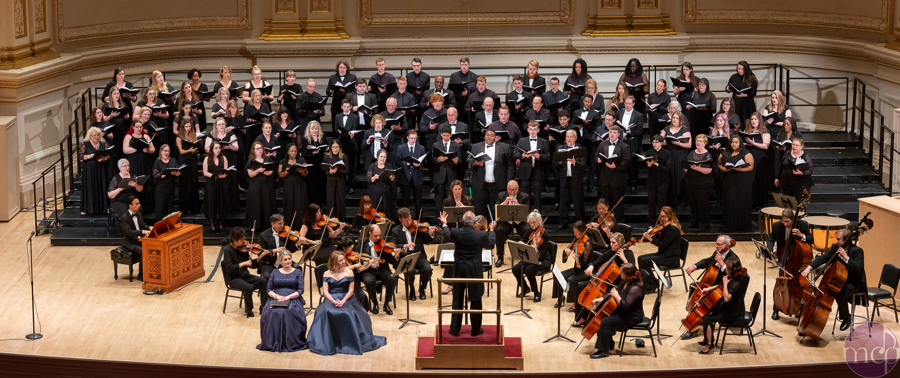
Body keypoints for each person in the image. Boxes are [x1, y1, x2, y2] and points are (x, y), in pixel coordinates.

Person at [308, 251, 387, 355]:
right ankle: (329, 342)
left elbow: (351, 290)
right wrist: (333, 301)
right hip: (331, 298)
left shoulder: (349, 272)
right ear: (334, 262)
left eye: (343, 259)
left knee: (348, 313)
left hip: (346, 297)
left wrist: (343, 301)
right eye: (340, 260)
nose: (343, 262)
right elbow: (325, 292)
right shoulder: (326, 273)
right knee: (326, 311)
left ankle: (348, 342)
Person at [438, 210, 497, 336]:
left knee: (457, 297)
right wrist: (492, 230)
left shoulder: (456, 232)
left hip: (459, 267)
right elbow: (491, 244)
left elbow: (447, 235)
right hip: (474, 268)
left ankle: (454, 329)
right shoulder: (480, 235)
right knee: (475, 297)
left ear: (463, 221)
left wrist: (444, 223)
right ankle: (475, 329)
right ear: (474, 222)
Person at [801, 228, 866, 331]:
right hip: (839, 280)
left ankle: (846, 317)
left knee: (839, 293)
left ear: (846, 240)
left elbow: (859, 269)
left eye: (839, 239)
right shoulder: (835, 247)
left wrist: (846, 257)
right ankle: (812, 320)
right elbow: (823, 258)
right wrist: (809, 268)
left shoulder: (857, 251)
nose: (836, 241)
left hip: (854, 283)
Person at [680, 234, 740, 339]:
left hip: (722, 287)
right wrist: (695, 266)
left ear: (726, 245)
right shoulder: (718, 252)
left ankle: (694, 329)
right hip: (712, 283)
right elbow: (708, 261)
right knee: (694, 287)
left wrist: (722, 264)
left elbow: (732, 278)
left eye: (719, 245)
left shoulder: (733, 258)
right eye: (716, 244)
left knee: (703, 300)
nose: (716, 246)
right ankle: (692, 315)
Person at [572, 232, 636, 327]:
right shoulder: (611, 252)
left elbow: (633, 271)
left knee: (594, 295)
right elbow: (597, 262)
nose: (611, 244)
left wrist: (624, 259)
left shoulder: (629, 254)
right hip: (606, 283)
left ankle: (592, 320)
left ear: (620, 244)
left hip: (618, 286)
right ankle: (581, 317)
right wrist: (591, 266)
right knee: (581, 287)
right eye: (610, 242)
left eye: (613, 243)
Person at [587, 263, 645, 359]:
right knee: (603, 316)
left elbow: (625, 306)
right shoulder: (626, 282)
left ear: (627, 275)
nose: (620, 274)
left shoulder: (635, 289)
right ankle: (608, 343)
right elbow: (613, 292)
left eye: (621, 273)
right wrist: (601, 299)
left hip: (631, 317)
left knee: (606, 322)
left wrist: (616, 295)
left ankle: (603, 351)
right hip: (625, 313)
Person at [257, 250, 308, 352]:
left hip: (292, 297)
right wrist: (276, 296)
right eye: (285, 259)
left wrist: (288, 297)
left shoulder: (298, 272)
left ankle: (289, 341)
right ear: (281, 261)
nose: (288, 261)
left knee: (288, 312)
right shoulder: (275, 272)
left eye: (289, 259)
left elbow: (301, 290)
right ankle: (272, 342)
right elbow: (268, 289)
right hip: (277, 297)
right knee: (271, 312)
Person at [767, 208, 812, 321]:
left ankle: (797, 308)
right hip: (783, 258)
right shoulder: (777, 226)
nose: (785, 224)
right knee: (781, 283)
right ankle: (776, 308)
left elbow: (811, 239)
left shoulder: (802, 225)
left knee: (798, 286)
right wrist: (770, 249)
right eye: (783, 221)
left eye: (787, 221)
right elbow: (771, 239)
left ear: (793, 220)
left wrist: (801, 235)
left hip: (797, 260)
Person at [698, 257, 749, 354]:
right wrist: (708, 289)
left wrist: (725, 284)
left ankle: (709, 344)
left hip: (732, 313)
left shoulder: (736, 283)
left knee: (707, 319)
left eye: (727, 267)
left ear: (731, 270)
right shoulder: (730, 277)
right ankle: (707, 339)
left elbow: (726, 298)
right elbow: (720, 286)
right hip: (727, 308)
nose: (725, 268)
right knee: (706, 313)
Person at [221, 227, 268, 318]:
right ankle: (249, 310)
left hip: (245, 276)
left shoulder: (243, 249)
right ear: (234, 240)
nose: (244, 241)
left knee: (263, 281)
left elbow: (251, 264)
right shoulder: (227, 250)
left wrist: (260, 257)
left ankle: (263, 307)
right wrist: (243, 263)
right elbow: (230, 268)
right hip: (233, 279)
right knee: (248, 287)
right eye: (242, 239)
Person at [391, 207, 436, 300]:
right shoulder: (396, 231)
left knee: (428, 270)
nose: (409, 222)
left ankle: (422, 289)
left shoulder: (418, 227)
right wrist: (405, 245)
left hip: (420, 256)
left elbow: (427, 241)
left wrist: (430, 234)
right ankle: (411, 289)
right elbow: (394, 246)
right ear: (400, 220)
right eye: (406, 220)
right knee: (409, 271)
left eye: (410, 219)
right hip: (406, 257)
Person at [469, 129, 514, 218]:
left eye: (491, 135)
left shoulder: (505, 147)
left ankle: (494, 226)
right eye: (487, 135)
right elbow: (469, 161)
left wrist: (509, 182)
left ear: (496, 137)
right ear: (484, 136)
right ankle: (481, 227)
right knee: (480, 210)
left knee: (495, 211)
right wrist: (475, 163)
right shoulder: (475, 146)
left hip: (497, 185)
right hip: (480, 185)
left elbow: (510, 166)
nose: (489, 137)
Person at [638, 206, 684, 292]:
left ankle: (651, 285)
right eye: (661, 216)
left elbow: (663, 244)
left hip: (671, 258)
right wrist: (651, 233)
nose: (662, 219)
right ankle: (652, 282)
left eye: (664, 216)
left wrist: (651, 239)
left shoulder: (672, 229)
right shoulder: (665, 227)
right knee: (640, 258)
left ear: (670, 216)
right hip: (663, 254)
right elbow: (660, 239)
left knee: (644, 261)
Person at [358, 224, 399, 315]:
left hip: (382, 270)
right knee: (369, 281)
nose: (378, 238)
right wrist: (369, 261)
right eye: (375, 235)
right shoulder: (362, 242)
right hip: (368, 271)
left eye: (379, 235)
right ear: (370, 234)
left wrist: (396, 256)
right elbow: (357, 255)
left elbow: (392, 261)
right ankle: (375, 303)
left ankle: (386, 304)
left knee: (392, 278)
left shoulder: (383, 243)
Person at [511, 211, 552, 302]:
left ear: (540, 222)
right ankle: (525, 288)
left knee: (529, 270)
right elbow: (522, 240)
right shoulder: (530, 231)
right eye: (530, 223)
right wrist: (521, 243)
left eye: (534, 223)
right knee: (515, 269)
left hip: (543, 260)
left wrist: (537, 251)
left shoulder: (544, 234)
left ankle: (536, 292)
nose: (532, 225)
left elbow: (544, 250)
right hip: (530, 258)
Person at [553, 221, 594, 308]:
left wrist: (578, 258)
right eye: (574, 232)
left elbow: (584, 262)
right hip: (577, 269)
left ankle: (575, 302)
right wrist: (566, 251)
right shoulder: (576, 239)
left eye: (577, 232)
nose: (575, 234)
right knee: (558, 275)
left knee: (571, 280)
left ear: (583, 231)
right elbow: (569, 247)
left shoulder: (587, 243)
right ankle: (560, 297)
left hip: (585, 271)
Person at [719, 136, 755, 232]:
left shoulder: (745, 152)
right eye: (732, 142)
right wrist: (724, 169)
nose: (733, 144)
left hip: (742, 180)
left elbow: (750, 167)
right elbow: (719, 164)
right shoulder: (725, 152)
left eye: (736, 142)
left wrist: (739, 169)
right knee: (730, 201)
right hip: (729, 180)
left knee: (741, 201)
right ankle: (730, 224)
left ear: (740, 143)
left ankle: (742, 225)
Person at [597, 126, 631, 222]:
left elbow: (627, 162)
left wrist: (616, 166)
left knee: (618, 205)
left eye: (614, 132)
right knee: (606, 205)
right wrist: (598, 160)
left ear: (618, 134)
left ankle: (619, 224)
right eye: (611, 132)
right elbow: (596, 156)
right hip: (605, 180)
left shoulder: (624, 146)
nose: (612, 134)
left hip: (617, 180)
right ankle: (606, 224)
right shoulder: (602, 145)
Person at [494, 180, 532, 267]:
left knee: (527, 230)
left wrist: (519, 206)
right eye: (510, 190)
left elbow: (527, 212)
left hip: (519, 222)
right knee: (499, 230)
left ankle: (526, 257)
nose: (512, 192)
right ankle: (500, 257)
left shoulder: (525, 196)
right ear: (507, 188)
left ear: (518, 188)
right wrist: (504, 203)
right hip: (506, 222)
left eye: (514, 190)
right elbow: (495, 211)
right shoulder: (501, 195)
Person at [515, 121, 551, 211]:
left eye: (534, 129)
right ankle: (525, 214)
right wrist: (522, 155)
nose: (532, 131)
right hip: (525, 171)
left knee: (537, 196)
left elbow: (548, 156)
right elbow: (515, 154)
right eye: (531, 129)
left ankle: (537, 214)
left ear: (538, 130)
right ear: (527, 130)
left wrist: (539, 156)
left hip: (538, 171)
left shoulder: (543, 141)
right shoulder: (522, 140)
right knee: (524, 196)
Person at [557, 129, 586, 229]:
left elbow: (583, 165)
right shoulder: (560, 148)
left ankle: (580, 222)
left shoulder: (580, 150)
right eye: (567, 137)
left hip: (576, 180)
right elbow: (554, 164)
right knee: (564, 202)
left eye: (571, 137)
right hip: (564, 179)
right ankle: (563, 221)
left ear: (575, 138)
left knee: (578, 202)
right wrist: (559, 162)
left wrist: (575, 163)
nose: (569, 139)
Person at [684, 135, 715, 231]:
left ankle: (704, 225)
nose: (698, 143)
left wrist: (698, 169)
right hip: (691, 182)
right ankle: (694, 223)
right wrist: (685, 167)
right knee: (693, 204)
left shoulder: (708, 154)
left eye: (701, 141)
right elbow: (686, 167)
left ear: (705, 143)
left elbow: (709, 170)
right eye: (697, 140)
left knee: (703, 204)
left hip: (703, 183)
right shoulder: (691, 153)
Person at [257, 214, 300, 281]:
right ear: (273, 224)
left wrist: (298, 244)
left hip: (283, 262)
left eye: (283, 223)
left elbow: (290, 249)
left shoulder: (285, 234)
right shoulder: (263, 235)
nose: (282, 225)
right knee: (267, 276)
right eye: (279, 224)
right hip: (269, 263)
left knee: (298, 269)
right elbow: (261, 252)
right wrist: (274, 250)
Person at [661, 110, 691, 207]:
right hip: (669, 156)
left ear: (680, 119)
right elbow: (660, 141)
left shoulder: (684, 130)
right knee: (670, 177)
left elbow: (689, 145)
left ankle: (680, 202)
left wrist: (679, 143)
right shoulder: (666, 128)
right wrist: (664, 142)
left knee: (680, 177)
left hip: (681, 156)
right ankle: (670, 202)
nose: (674, 120)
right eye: (673, 118)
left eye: (677, 118)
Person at [245, 141, 277, 232]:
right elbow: (250, 174)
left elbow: (271, 170)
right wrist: (258, 171)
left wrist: (268, 172)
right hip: (255, 185)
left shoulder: (267, 158)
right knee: (256, 205)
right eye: (257, 148)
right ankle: (256, 225)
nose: (259, 150)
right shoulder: (251, 160)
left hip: (266, 184)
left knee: (266, 203)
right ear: (253, 150)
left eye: (261, 148)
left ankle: (266, 224)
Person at [79, 126, 111, 215]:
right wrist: (90, 156)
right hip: (89, 170)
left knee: (101, 186)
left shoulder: (103, 143)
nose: (96, 137)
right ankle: (87, 208)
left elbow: (109, 154)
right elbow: (81, 156)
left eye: (98, 135)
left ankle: (102, 207)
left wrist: (105, 158)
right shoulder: (85, 144)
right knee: (89, 187)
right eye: (94, 136)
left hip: (101, 169)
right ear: (90, 136)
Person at [743, 112, 772, 209]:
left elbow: (766, 146)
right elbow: (742, 143)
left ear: (759, 120)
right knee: (750, 179)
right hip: (749, 156)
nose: (753, 121)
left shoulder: (765, 131)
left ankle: (760, 202)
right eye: (752, 119)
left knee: (759, 179)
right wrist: (746, 143)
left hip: (760, 157)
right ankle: (751, 201)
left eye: (755, 119)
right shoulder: (747, 130)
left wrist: (753, 143)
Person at [394, 129, 426, 216]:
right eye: (411, 138)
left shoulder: (421, 148)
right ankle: (405, 219)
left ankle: (418, 220)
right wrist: (406, 163)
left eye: (415, 138)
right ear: (407, 137)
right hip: (405, 177)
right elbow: (397, 161)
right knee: (405, 201)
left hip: (417, 177)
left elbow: (424, 162)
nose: (413, 140)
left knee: (418, 200)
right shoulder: (401, 148)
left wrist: (419, 164)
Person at [431, 126, 461, 215]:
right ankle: (438, 220)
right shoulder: (436, 145)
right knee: (439, 200)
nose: (446, 137)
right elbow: (432, 159)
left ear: (451, 135)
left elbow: (461, 162)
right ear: (441, 135)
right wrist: (438, 159)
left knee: (451, 199)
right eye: (444, 135)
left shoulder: (456, 146)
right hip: (439, 175)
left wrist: (457, 161)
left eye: (447, 135)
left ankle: (451, 219)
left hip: (451, 176)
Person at [334, 99, 361, 193]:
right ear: (341, 107)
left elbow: (354, 129)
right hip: (341, 144)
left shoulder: (355, 117)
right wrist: (338, 131)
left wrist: (352, 134)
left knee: (351, 167)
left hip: (351, 144)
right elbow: (335, 129)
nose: (346, 108)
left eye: (348, 107)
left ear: (350, 107)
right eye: (344, 107)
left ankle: (351, 186)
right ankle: (342, 185)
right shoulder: (337, 116)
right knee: (340, 165)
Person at [120, 196, 149, 281]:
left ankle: (149, 272)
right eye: (136, 204)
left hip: (139, 240)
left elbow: (143, 225)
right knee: (144, 252)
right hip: (130, 243)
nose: (139, 205)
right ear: (130, 206)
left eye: (139, 203)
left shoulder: (138, 214)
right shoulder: (124, 218)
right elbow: (129, 232)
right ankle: (141, 275)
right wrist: (143, 231)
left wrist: (150, 227)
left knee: (151, 249)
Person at [202, 141, 230, 231]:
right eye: (216, 148)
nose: (218, 150)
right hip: (211, 183)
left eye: (219, 148)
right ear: (211, 149)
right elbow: (205, 172)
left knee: (221, 201)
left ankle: (221, 221)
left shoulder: (224, 158)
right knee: (212, 201)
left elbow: (226, 171)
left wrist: (224, 175)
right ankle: (212, 221)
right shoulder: (207, 159)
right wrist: (215, 176)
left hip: (221, 183)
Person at [775, 138, 814, 202]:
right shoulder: (787, 153)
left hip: (799, 185)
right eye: (793, 144)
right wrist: (777, 177)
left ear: (801, 146)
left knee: (798, 203)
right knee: (788, 203)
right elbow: (780, 166)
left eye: (797, 145)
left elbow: (810, 170)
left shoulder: (805, 156)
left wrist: (801, 173)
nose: (794, 147)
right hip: (786, 183)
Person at [175, 118, 200, 214]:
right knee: (185, 183)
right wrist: (190, 150)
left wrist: (196, 149)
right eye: (186, 126)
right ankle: (185, 207)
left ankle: (194, 207)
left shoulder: (193, 135)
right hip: (184, 161)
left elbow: (196, 146)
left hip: (192, 160)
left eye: (189, 126)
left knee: (193, 182)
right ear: (182, 127)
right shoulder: (179, 136)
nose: (188, 128)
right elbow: (181, 151)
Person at [279, 144, 309, 223]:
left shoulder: (302, 160)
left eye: (295, 151)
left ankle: (301, 223)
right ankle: (289, 223)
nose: (294, 153)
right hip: (289, 185)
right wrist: (286, 171)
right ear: (288, 152)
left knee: (300, 203)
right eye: (292, 151)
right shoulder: (283, 161)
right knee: (290, 203)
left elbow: (306, 174)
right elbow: (280, 175)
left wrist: (302, 172)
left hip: (300, 185)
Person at [301, 121, 329, 206]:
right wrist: (312, 153)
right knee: (311, 185)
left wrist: (327, 148)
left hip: (320, 164)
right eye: (312, 129)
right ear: (309, 129)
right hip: (311, 165)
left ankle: (320, 204)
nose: (314, 131)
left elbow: (326, 146)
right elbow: (304, 153)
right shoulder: (305, 139)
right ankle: (312, 204)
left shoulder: (322, 137)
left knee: (320, 184)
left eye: (316, 129)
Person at [644, 135, 671, 222]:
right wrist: (649, 165)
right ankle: (651, 222)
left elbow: (668, 169)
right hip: (651, 179)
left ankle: (662, 221)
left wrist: (657, 164)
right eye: (653, 142)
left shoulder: (666, 153)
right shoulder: (649, 152)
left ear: (661, 143)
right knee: (651, 202)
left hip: (662, 180)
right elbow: (647, 169)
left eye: (656, 142)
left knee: (661, 202)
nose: (654, 144)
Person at [725, 61, 758, 128]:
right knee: (735, 124)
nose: (740, 70)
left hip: (747, 104)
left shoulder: (751, 78)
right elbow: (728, 86)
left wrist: (744, 95)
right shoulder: (734, 77)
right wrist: (727, 89)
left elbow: (753, 93)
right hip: (736, 103)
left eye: (742, 69)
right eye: (739, 68)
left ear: (746, 69)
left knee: (747, 125)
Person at [367, 149, 397, 222]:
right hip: (375, 193)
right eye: (381, 156)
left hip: (386, 192)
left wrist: (392, 178)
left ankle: (386, 224)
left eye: (384, 157)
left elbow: (392, 179)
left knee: (387, 209)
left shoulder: (388, 165)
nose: (382, 158)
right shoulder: (372, 166)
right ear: (377, 157)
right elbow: (368, 180)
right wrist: (374, 177)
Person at [326, 59, 357, 127]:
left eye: (344, 67)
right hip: (336, 105)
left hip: (348, 104)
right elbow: (327, 92)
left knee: (348, 125)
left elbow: (354, 91)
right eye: (340, 67)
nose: (342, 69)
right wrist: (332, 90)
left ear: (347, 68)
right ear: (337, 68)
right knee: (336, 125)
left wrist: (347, 90)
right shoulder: (333, 77)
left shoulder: (352, 77)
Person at [151, 144, 179, 218]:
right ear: (161, 151)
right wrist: (166, 173)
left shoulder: (173, 160)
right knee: (160, 210)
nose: (167, 153)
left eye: (168, 151)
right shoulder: (157, 162)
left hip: (171, 188)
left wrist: (176, 173)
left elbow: (178, 172)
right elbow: (155, 175)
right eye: (165, 151)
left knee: (170, 211)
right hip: (160, 189)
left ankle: (169, 225)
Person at [687, 78, 717, 145]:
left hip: (706, 121)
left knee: (705, 141)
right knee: (694, 140)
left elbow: (714, 109)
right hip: (695, 121)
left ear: (707, 86)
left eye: (703, 85)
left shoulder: (711, 95)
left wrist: (705, 108)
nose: (701, 86)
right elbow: (687, 105)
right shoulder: (693, 94)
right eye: (700, 84)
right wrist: (690, 106)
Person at [323, 140, 348, 220]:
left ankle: (341, 221)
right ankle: (332, 222)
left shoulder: (344, 157)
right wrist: (330, 172)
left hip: (340, 181)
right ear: (331, 148)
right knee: (331, 201)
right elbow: (326, 172)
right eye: (334, 147)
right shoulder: (326, 157)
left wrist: (338, 171)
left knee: (340, 201)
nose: (335, 149)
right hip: (330, 182)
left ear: (340, 148)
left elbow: (347, 171)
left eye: (337, 147)